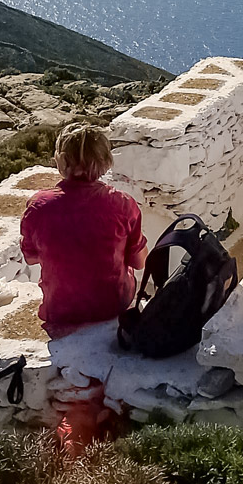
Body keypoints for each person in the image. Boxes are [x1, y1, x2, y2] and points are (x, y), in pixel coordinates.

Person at [20, 123, 148, 338]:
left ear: (61, 160)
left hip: (61, 309)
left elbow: (31, 258)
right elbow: (139, 262)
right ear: (106, 161)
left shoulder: (39, 207)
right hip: (113, 304)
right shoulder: (123, 204)